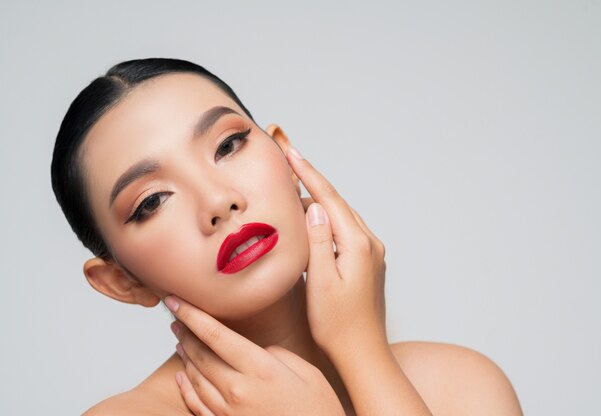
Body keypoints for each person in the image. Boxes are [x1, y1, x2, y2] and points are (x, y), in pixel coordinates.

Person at [51, 58, 522, 415]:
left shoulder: (462, 386)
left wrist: (363, 351)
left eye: (228, 145)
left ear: (284, 152)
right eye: (152, 200)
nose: (219, 201)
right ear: (121, 282)